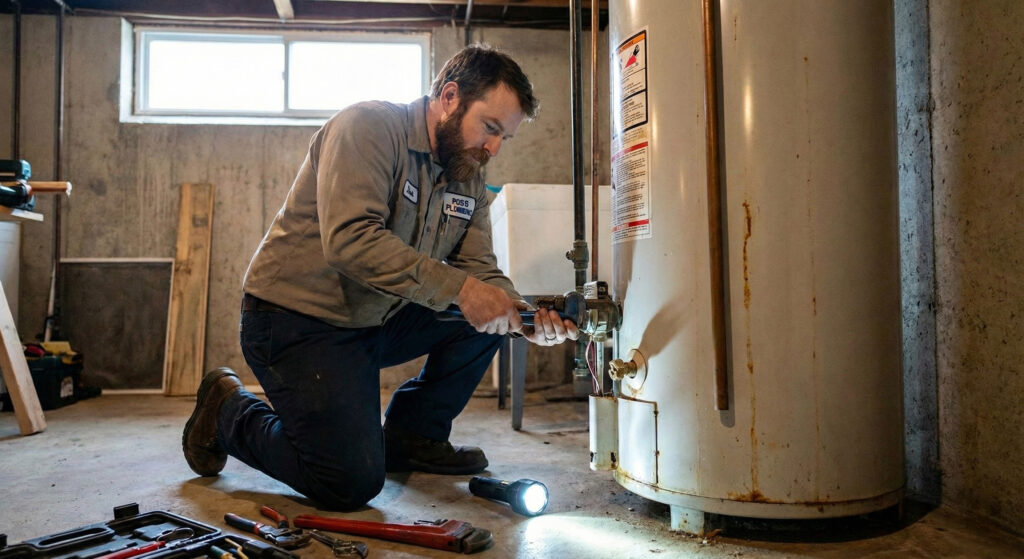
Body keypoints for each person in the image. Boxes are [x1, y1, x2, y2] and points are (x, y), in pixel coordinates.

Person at [182, 44, 579, 510]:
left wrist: (525, 317)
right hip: (296, 321)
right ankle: (227, 409)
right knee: (348, 482)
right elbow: (351, 240)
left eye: (503, 138)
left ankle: (413, 437)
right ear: (450, 96)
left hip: (373, 319)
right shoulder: (368, 128)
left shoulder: (465, 171)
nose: (492, 147)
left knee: (485, 318)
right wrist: (466, 291)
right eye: (489, 128)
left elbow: (480, 271)